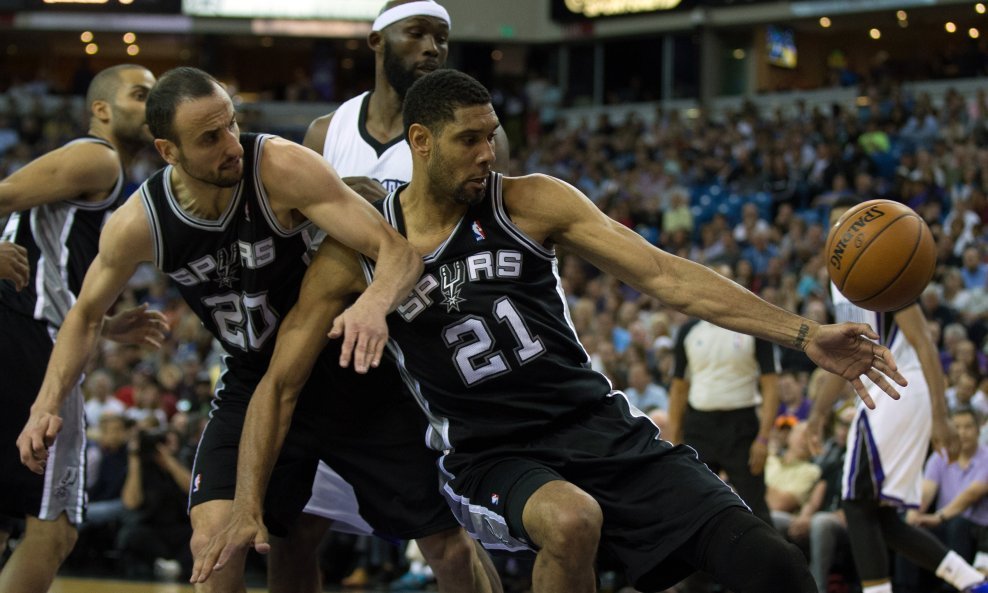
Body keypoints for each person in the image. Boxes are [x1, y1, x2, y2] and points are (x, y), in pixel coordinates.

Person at [193, 69, 913, 593]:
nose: (488, 153)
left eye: (493, 136)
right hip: (491, 453)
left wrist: (802, 333)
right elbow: (280, 376)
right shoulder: (363, 244)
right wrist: (248, 500)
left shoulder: (532, 202)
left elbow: (664, 274)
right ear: (419, 140)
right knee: (570, 520)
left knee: (774, 565)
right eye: (468, 140)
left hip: (600, 427)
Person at [14, 66, 429, 593]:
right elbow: (85, 314)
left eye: (231, 125)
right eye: (209, 138)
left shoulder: (278, 165)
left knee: (445, 543)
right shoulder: (139, 222)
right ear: (169, 151)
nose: (231, 144)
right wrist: (46, 404)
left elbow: (394, 249)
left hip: (344, 368)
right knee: (214, 544)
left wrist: (372, 303)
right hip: (254, 377)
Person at [287, 2, 507, 591]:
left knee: (448, 534)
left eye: (442, 37)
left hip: (429, 351)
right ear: (377, 41)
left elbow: (485, 241)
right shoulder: (323, 134)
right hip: (344, 354)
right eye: (418, 33)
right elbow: (294, 237)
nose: (433, 47)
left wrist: (384, 210)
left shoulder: (477, 135)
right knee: (296, 526)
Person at [0, 63, 167, 593]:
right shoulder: (98, 157)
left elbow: (52, 264)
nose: (151, 106)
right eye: (140, 96)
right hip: (31, 338)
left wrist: (109, 324)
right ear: (102, 110)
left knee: (4, 518)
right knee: (55, 530)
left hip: (20, 329)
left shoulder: (117, 178)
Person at [807, 196, 988, 593]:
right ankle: (972, 581)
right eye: (837, 224)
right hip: (885, 392)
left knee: (854, 501)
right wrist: (818, 414)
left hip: (902, 388)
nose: (845, 233)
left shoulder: (882, 264)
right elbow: (844, 358)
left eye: (852, 224)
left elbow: (925, 345)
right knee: (881, 516)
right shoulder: (842, 283)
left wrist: (941, 415)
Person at [667, 262, 780, 527]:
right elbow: (678, 390)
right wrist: (673, 440)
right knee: (695, 508)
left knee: (756, 509)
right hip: (699, 427)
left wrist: (764, 437)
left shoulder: (753, 327)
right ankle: (701, 570)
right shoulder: (688, 331)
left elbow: (771, 385)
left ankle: (772, 569)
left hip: (741, 428)